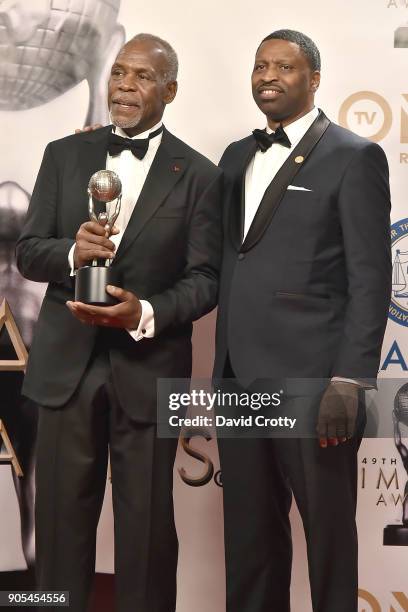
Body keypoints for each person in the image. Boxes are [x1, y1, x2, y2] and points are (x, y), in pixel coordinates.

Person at [16, 33, 222, 612]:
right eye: (119, 74)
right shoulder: (64, 154)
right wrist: (71, 253)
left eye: (144, 77)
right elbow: (28, 252)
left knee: (149, 530)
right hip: (65, 370)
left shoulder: (200, 174)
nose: (126, 86)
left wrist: (146, 312)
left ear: (171, 90)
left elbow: (206, 279)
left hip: (149, 368)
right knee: (57, 527)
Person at [213, 29, 391, 612]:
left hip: (315, 383)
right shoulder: (237, 155)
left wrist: (353, 378)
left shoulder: (354, 155)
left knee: (329, 539)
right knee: (249, 540)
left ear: (313, 79)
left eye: (284, 67)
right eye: (260, 65)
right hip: (238, 379)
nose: (268, 76)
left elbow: (370, 277)